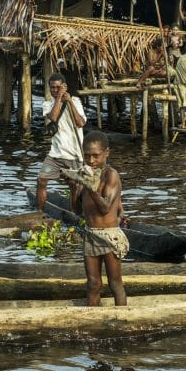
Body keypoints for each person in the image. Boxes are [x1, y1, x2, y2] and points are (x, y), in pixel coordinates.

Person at [70, 131, 128, 306]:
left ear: (106, 153)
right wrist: (74, 187)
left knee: (115, 283)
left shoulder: (111, 175)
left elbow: (104, 208)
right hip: (91, 234)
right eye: (87, 156)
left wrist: (90, 187)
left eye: (96, 156)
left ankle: (123, 321)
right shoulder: (84, 176)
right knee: (93, 283)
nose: (91, 161)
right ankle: (93, 322)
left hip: (109, 235)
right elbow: (77, 210)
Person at [36, 73, 86, 213]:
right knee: (41, 180)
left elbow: (80, 123)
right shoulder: (48, 104)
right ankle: (39, 213)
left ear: (64, 87)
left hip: (74, 156)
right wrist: (59, 98)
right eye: (52, 88)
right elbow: (53, 117)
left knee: (74, 186)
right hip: (55, 156)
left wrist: (69, 102)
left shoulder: (75, 101)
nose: (55, 90)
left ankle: (75, 215)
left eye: (58, 88)